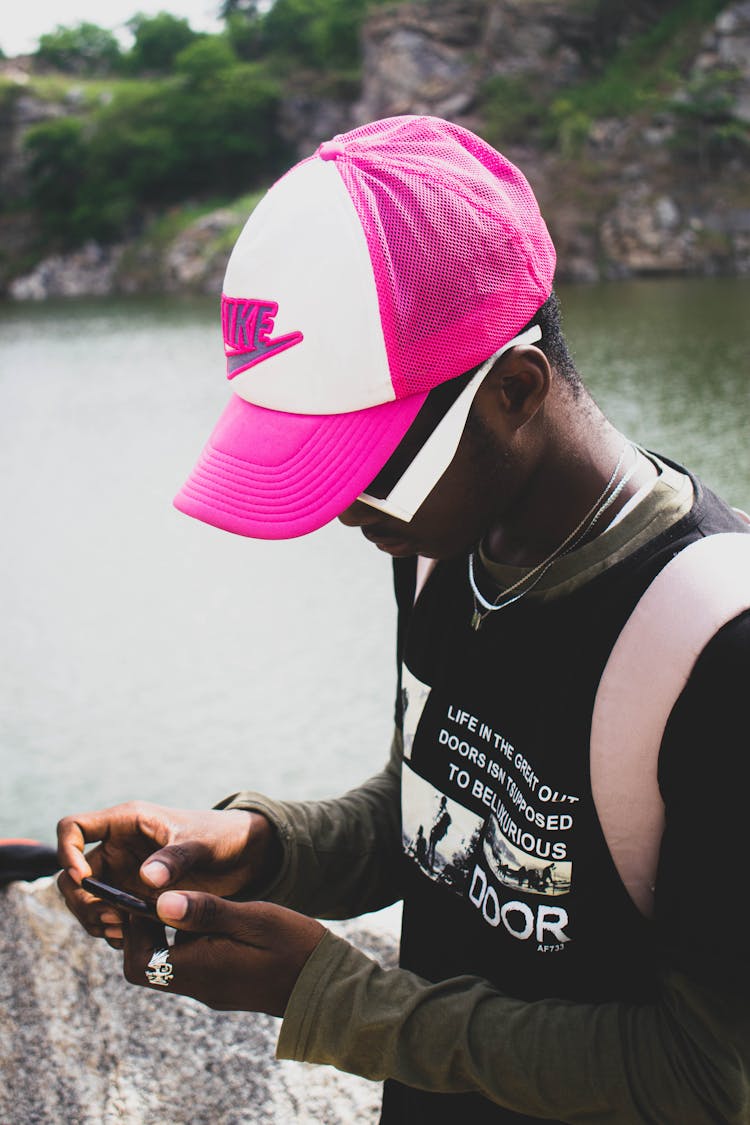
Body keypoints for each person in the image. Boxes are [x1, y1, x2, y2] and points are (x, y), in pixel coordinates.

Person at [57, 116, 750, 1124]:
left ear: (513, 391)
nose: (338, 510)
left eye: (362, 466)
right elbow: (428, 807)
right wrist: (260, 845)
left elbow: (707, 1077)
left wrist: (333, 1001)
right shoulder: (433, 551)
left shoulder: (714, 650)